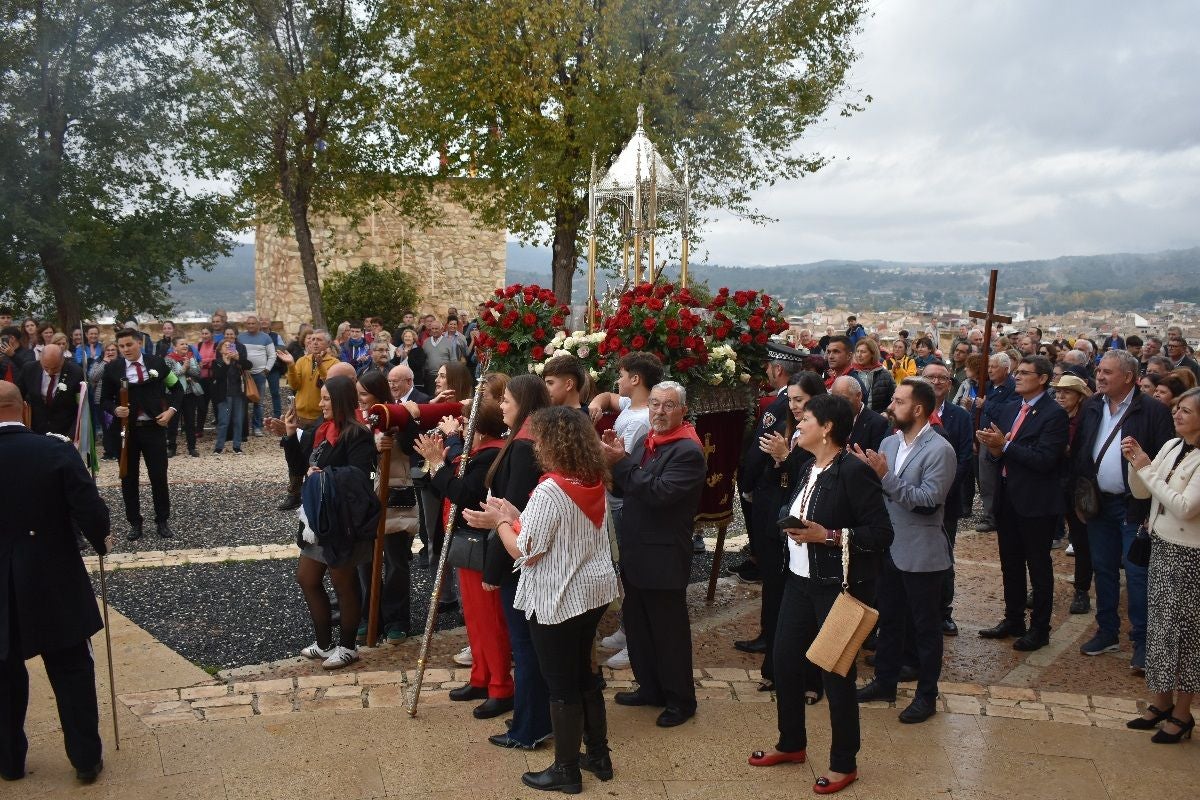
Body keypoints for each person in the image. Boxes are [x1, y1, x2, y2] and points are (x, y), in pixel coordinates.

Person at [465, 406, 619, 793]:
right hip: (592, 590)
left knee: (561, 685)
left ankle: (565, 770)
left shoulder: (551, 488)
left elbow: (523, 548)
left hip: (559, 595)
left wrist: (499, 521)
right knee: (584, 674)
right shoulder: (590, 476)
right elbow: (553, 527)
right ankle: (598, 753)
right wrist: (515, 513)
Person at [748, 393, 893, 796]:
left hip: (836, 589)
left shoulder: (853, 471)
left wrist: (827, 536)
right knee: (784, 664)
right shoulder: (809, 466)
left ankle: (844, 762)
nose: (799, 422)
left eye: (806, 417)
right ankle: (791, 743)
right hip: (798, 583)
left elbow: (881, 534)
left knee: (836, 674)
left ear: (827, 427)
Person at [0, 382, 113, 783]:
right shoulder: (54, 450)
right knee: (70, 670)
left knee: (4, 676)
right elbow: (90, 511)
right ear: (25, 410)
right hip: (52, 578)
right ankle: (85, 758)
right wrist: (101, 537)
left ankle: (9, 761)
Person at [600, 381, 706, 728]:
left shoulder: (687, 450)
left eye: (668, 406)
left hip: (662, 555)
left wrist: (623, 463)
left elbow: (659, 492)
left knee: (667, 631)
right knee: (639, 625)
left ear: (683, 411)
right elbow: (633, 483)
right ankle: (650, 688)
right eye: (655, 405)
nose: (659, 412)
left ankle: (680, 700)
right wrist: (617, 462)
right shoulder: (652, 443)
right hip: (638, 550)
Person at [854, 378, 956, 724]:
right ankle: (885, 681)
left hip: (922, 553)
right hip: (889, 548)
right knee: (890, 620)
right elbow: (881, 493)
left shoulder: (939, 449)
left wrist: (884, 478)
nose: (890, 407)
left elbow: (928, 502)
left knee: (925, 629)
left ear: (918, 409)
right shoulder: (889, 442)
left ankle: (927, 695)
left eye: (898, 402)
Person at [1072, 350, 1174, 672]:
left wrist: (1150, 506)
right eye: (1099, 370)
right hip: (1098, 504)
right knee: (1102, 568)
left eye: (1108, 372)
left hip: (1134, 507)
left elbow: (1163, 460)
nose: (1099, 376)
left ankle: (1143, 642)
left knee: (1137, 574)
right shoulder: (1091, 406)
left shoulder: (1153, 411)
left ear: (1129, 377)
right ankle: (1107, 631)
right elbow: (1081, 453)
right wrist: (1080, 497)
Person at [419, 400, 513, 717]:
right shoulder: (479, 453)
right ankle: (482, 677)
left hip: (482, 545)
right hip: (468, 543)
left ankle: (501, 685)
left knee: (489, 620)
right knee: (474, 617)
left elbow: (462, 492)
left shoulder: (491, 455)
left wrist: (437, 463)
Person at [480, 374, 554, 751]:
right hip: (522, 551)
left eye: (507, 399)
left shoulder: (524, 446)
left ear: (523, 403)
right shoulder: (528, 438)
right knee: (528, 644)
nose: (502, 405)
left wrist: (493, 569)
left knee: (524, 645)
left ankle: (530, 727)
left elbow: (510, 514)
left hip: (517, 557)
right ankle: (532, 714)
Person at [976, 355, 1069, 652]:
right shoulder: (1011, 408)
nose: (1017, 377)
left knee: (1038, 567)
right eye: (1017, 372)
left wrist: (1003, 446)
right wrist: (994, 448)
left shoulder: (1054, 414)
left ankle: (1040, 628)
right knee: (1010, 563)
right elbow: (1000, 451)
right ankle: (1013, 618)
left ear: (1042, 379)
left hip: (1036, 502)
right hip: (1008, 496)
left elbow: (1045, 460)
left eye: (1025, 373)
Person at [1123, 387, 1200, 743]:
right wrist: (1135, 463)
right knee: (1161, 630)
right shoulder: (1171, 446)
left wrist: (1146, 470)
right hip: (1162, 545)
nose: (1177, 415)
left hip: (1189, 555)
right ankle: (1161, 702)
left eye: (1186, 410)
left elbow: (1185, 506)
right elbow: (1144, 493)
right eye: (1177, 409)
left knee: (1186, 636)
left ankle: (1183, 713)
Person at [288, 375, 378, 669]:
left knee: (345, 584)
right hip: (318, 518)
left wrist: (324, 476)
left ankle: (348, 646)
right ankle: (325, 643)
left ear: (339, 400)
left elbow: (361, 476)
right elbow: (302, 466)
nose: (320, 403)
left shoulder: (357, 434)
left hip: (344, 521)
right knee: (307, 578)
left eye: (326, 398)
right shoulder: (322, 430)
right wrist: (289, 436)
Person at [755, 371, 827, 698]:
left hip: (808, 533)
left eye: (801, 400)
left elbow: (811, 473)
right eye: (792, 399)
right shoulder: (786, 427)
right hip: (779, 529)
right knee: (774, 602)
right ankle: (774, 669)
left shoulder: (823, 434)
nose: (794, 406)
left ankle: (811, 679)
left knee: (805, 611)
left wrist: (785, 458)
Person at [587, 352, 662, 669]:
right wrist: (598, 402)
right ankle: (625, 628)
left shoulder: (642, 419)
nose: (616, 381)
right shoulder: (632, 406)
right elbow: (607, 397)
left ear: (636, 379)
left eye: (621, 375)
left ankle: (636, 639)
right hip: (614, 494)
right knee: (621, 568)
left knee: (628, 566)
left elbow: (621, 459)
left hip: (622, 496)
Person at [732, 343, 806, 660]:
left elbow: (757, 453)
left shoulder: (778, 408)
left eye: (768, 366)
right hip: (775, 496)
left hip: (772, 496)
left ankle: (771, 635)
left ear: (778, 369)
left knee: (775, 573)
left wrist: (745, 484)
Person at [100, 328, 183, 540]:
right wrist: (115, 410)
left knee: (158, 475)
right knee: (129, 477)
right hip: (127, 431)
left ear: (139, 344)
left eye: (129, 345)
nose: (125, 349)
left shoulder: (156, 363)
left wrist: (170, 411)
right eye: (121, 346)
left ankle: (162, 520)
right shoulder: (113, 369)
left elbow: (177, 389)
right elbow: (105, 400)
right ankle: (134, 523)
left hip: (153, 428)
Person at [920, 362, 973, 636]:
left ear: (950, 384)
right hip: (911, 501)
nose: (937, 382)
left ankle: (943, 612)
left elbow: (964, 458)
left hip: (946, 501)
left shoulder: (960, 417)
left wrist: (941, 490)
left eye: (942, 378)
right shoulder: (910, 412)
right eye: (931, 377)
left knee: (943, 556)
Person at [1051, 374, 1094, 614]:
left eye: (1066, 392)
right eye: (1058, 391)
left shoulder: (1087, 420)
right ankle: (1039, 588)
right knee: (1042, 538)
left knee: (1080, 540)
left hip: (1076, 484)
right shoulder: (1051, 416)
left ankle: (1081, 590)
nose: (1060, 396)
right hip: (1051, 483)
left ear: (1079, 396)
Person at [16, 343, 85, 437]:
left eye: (55, 368)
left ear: (63, 360)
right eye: (46, 367)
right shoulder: (29, 369)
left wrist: (73, 434)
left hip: (64, 430)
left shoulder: (76, 373)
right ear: (40, 359)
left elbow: (81, 407)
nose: (50, 372)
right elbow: (18, 397)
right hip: (36, 429)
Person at [210, 333, 252, 455]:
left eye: (230, 346)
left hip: (238, 395)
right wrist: (226, 363)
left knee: (238, 421)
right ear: (221, 349)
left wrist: (238, 359)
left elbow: (249, 365)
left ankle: (237, 446)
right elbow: (218, 376)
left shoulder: (237, 362)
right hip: (224, 396)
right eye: (226, 346)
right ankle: (219, 447)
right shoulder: (217, 362)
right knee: (224, 422)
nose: (228, 348)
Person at [240, 315, 277, 437]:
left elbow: (272, 355)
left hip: (260, 375)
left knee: (258, 402)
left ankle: (257, 427)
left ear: (258, 325)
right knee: (243, 402)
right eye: (249, 324)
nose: (251, 326)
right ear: (246, 325)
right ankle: (243, 428)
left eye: (253, 323)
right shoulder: (240, 337)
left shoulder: (266, 338)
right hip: (244, 375)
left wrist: (267, 369)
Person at [165, 336, 201, 458]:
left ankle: (192, 448)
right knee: (173, 422)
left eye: (186, 343)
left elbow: (197, 373)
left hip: (189, 393)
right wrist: (183, 369)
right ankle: (171, 447)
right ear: (174, 347)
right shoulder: (168, 359)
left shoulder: (191, 357)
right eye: (182, 344)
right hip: (174, 394)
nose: (185, 346)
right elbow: (169, 376)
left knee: (190, 421)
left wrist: (188, 368)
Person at [830, 376, 888, 452]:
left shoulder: (878, 423)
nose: (838, 404)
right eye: (834, 399)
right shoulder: (830, 419)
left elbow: (876, 459)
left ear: (858, 395)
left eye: (843, 399)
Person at [851, 337, 894, 413]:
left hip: (878, 419)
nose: (859, 355)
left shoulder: (884, 374)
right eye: (857, 351)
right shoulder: (851, 373)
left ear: (872, 353)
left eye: (863, 352)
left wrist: (886, 414)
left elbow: (893, 399)